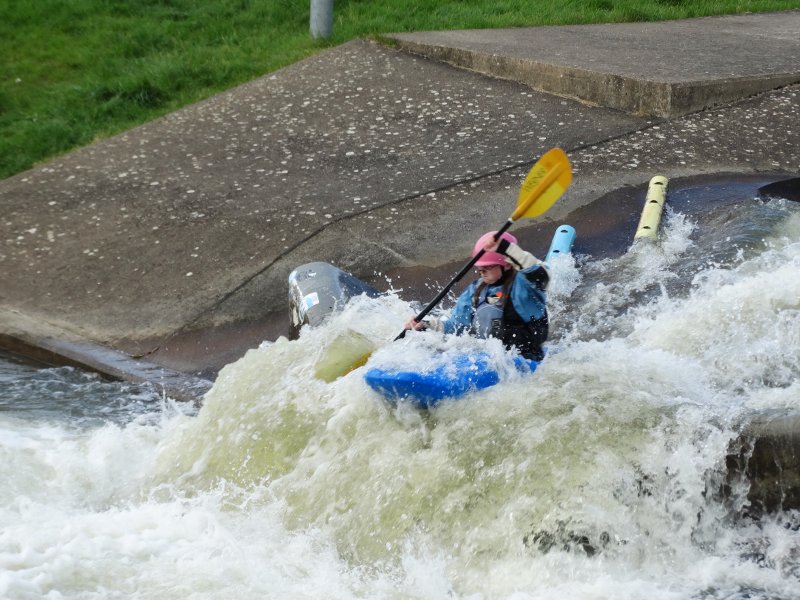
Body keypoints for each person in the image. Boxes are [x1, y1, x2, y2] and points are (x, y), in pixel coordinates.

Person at [404, 231, 550, 361]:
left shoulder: (525, 286)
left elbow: (539, 274)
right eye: (479, 267)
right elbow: (456, 326)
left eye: (488, 266)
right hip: (489, 357)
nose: (482, 271)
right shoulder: (477, 289)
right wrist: (425, 325)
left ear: (506, 265)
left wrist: (506, 248)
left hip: (525, 358)